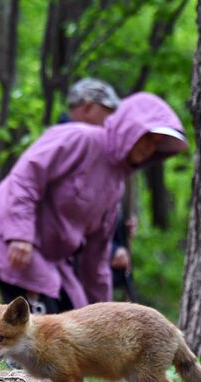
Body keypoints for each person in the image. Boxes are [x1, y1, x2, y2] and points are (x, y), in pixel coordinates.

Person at [0, 92, 187, 314]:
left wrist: (104, 313)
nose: (148, 148)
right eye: (146, 137)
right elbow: (26, 179)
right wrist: (20, 235)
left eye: (155, 144)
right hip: (11, 235)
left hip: (52, 255)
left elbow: (96, 255)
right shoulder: (79, 138)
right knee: (43, 329)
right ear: (129, 128)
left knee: (76, 313)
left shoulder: (117, 183)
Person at [62, 78, 139, 301]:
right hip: (69, 262)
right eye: (107, 113)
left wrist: (118, 225)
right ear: (87, 107)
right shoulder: (73, 144)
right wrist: (112, 249)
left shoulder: (93, 144)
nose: (111, 121)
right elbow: (72, 209)